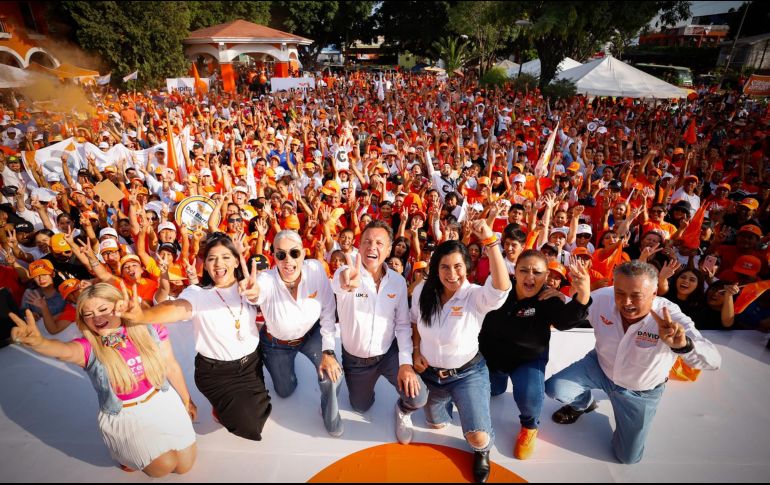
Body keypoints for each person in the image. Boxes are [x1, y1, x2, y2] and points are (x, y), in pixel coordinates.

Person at [9, 283, 197, 477]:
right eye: (88, 314)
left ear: (119, 306)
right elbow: (64, 351)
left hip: (162, 400)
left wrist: (186, 399)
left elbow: (170, 365)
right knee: (163, 467)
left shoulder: (150, 329)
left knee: (184, 466)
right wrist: (40, 343)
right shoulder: (88, 347)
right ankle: (123, 453)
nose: (97, 318)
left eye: (103, 309)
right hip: (127, 415)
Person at [545, 260, 722, 464]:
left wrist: (683, 345)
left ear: (654, 294)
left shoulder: (671, 316)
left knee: (627, 457)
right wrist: (563, 299)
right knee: (555, 388)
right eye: (619, 293)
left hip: (640, 391)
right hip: (600, 366)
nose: (626, 302)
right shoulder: (602, 297)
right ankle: (583, 404)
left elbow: (714, 360)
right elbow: (575, 309)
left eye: (636, 295)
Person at [117, 233, 272, 441]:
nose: (219, 263)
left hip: (252, 363)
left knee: (262, 408)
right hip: (218, 373)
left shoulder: (249, 286)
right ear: (205, 265)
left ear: (236, 260)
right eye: (212, 258)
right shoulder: (197, 293)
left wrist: (258, 294)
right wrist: (143, 316)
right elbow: (176, 308)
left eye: (226, 257)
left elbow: (269, 290)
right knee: (249, 426)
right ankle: (221, 410)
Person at [411, 220, 511, 483]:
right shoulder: (422, 291)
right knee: (436, 424)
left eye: (458, 266)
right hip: (431, 375)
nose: (452, 273)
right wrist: (416, 350)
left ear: (467, 267)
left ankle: (482, 451)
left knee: (478, 437)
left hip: (467, 375)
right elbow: (415, 322)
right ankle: (446, 404)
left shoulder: (475, 296)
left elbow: (501, 288)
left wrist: (491, 242)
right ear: (436, 269)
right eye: (444, 267)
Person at [480, 250, 592, 460]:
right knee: (494, 390)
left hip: (528, 359)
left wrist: (583, 294)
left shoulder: (548, 298)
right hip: (493, 358)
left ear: (546, 275)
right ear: (514, 272)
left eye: (537, 272)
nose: (530, 277)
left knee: (530, 396)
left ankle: (529, 427)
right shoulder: (499, 289)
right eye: (524, 270)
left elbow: (564, 322)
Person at [333, 220, 427, 444]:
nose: (371, 247)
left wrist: (405, 363)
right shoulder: (347, 273)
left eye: (378, 243)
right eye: (366, 241)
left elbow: (402, 325)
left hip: (388, 354)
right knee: (360, 406)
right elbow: (340, 284)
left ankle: (402, 411)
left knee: (418, 397)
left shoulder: (398, 282)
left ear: (388, 249)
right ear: (359, 246)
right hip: (356, 361)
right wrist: (345, 282)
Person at [251, 230, 343, 437]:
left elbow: (328, 309)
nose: (288, 260)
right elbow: (257, 292)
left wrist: (328, 351)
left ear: (303, 253)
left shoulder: (316, 269)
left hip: (312, 335)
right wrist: (252, 294)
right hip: (277, 344)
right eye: (281, 254)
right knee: (285, 391)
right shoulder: (266, 279)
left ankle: (329, 414)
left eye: (294, 253)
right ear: (274, 256)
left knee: (334, 376)